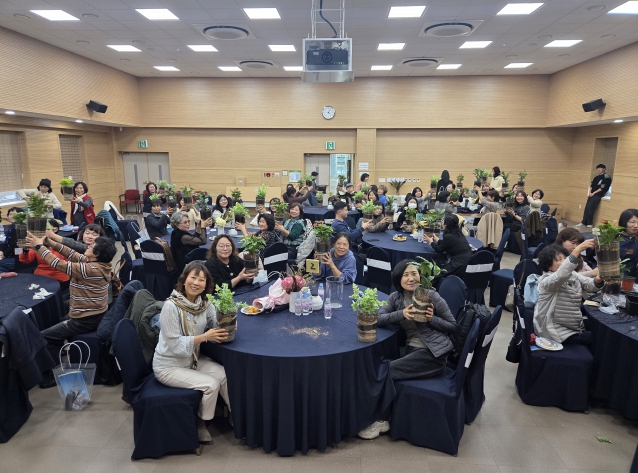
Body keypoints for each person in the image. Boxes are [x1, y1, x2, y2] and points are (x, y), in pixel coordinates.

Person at [358, 259, 457, 439]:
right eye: (406, 275)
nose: (411, 278)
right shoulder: (395, 298)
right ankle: (372, 413)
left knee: (387, 370)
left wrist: (432, 319)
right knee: (377, 365)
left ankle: (381, 420)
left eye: (414, 274)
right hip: (411, 348)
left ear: (420, 276)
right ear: (398, 278)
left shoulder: (431, 295)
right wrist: (401, 314)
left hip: (433, 353)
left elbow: (452, 325)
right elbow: (377, 318)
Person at [24, 231, 116, 388]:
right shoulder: (97, 263)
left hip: (85, 319)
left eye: (91, 246)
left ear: (97, 254)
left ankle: (53, 376)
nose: (88, 246)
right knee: (58, 322)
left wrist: (39, 246)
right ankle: (59, 354)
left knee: (44, 337)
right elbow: (71, 253)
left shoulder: (90, 269)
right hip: (93, 313)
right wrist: (49, 243)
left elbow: (58, 263)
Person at [153, 262, 231, 443]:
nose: (196, 283)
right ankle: (201, 423)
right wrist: (204, 337)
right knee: (211, 384)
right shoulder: (171, 306)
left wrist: (228, 321)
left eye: (201, 280)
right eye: (193, 278)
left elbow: (214, 322)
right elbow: (174, 345)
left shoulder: (203, 303)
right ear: (184, 279)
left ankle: (238, 416)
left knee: (224, 375)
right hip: (169, 365)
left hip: (192, 359)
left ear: (206, 285)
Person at [533, 242, 604, 345]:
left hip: (573, 326)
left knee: (600, 332)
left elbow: (589, 285)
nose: (564, 262)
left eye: (565, 258)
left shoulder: (573, 274)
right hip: (554, 331)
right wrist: (578, 249)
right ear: (549, 267)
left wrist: (597, 281)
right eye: (559, 259)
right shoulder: (546, 281)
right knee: (600, 340)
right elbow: (561, 275)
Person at [19, 219, 70, 289]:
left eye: (46, 228)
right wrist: (25, 250)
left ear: (55, 229)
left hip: (59, 279)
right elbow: (25, 260)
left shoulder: (63, 244)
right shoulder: (38, 243)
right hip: (41, 277)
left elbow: (67, 265)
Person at [577, 164, 612, 228]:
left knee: (591, 207)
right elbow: (592, 185)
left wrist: (594, 193)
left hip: (598, 194)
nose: (598, 169)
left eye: (600, 168)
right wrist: (590, 192)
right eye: (597, 168)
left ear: (604, 169)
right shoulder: (596, 177)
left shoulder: (606, 177)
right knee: (587, 207)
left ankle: (589, 223)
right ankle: (583, 222)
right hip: (592, 194)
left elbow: (602, 188)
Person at [0, 206, 23, 271]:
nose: (12, 216)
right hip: (12, 255)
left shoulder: (20, 227)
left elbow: (15, 246)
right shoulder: (11, 228)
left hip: (19, 257)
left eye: (15, 214)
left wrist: (4, 254)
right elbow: (6, 243)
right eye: (10, 214)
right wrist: (2, 252)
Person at [619, 209, 638, 279]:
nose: (636, 226)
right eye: (632, 222)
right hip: (618, 275)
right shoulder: (613, 237)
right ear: (624, 222)